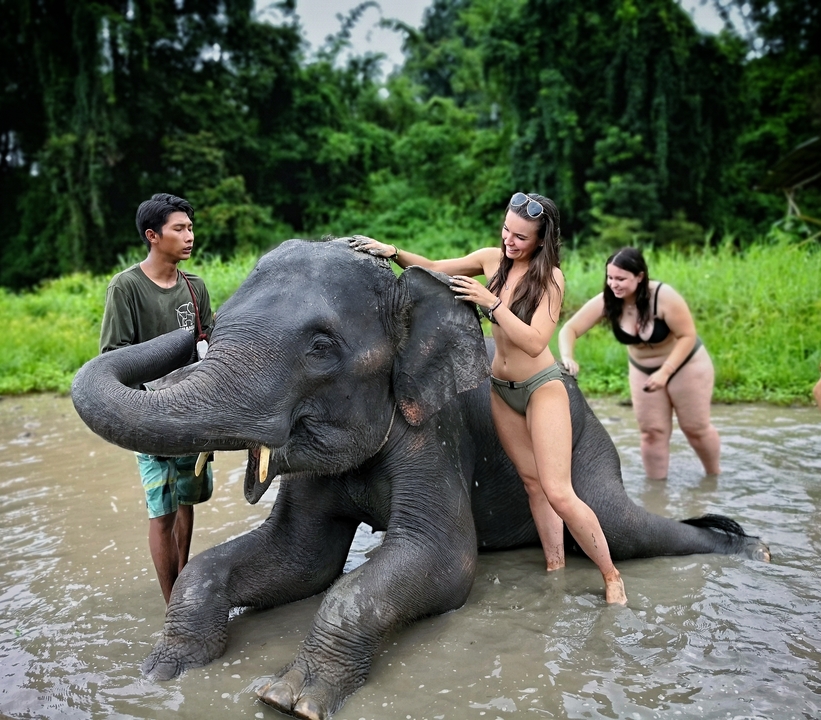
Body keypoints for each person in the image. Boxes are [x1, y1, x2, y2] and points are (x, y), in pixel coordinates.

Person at [350, 193, 627, 605]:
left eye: (520, 237)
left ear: (540, 240)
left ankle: (611, 576)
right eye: (506, 231)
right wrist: (392, 252)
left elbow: (535, 342)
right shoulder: (490, 260)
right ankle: (556, 566)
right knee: (532, 484)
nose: (509, 242)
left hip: (541, 388)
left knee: (557, 490)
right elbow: (434, 269)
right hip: (502, 390)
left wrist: (491, 303)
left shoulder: (550, 278)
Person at [100, 192, 214, 604]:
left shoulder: (194, 287)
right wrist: (141, 413)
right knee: (162, 509)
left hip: (190, 410)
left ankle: (182, 583)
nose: (189, 236)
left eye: (190, 227)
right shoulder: (126, 287)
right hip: (148, 414)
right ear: (153, 235)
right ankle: (173, 608)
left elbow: (209, 348)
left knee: (188, 498)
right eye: (179, 229)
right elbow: (113, 356)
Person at [558, 247, 720, 482]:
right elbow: (569, 329)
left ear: (640, 276)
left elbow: (688, 336)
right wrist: (568, 356)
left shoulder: (663, 297)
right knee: (652, 433)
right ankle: (656, 491)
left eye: (621, 279)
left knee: (695, 428)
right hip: (642, 368)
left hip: (684, 364)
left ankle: (714, 479)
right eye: (610, 277)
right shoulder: (608, 299)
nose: (614, 284)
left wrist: (666, 372)